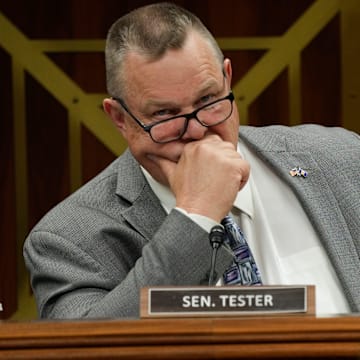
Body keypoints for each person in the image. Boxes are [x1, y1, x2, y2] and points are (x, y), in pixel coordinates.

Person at [23, 2, 360, 319]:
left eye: (208, 99)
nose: (198, 131)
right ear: (120, 119)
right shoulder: (66, 240)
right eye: (165, 113)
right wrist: (195, 217)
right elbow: (85, 350)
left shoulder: (341, 159)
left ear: (227, 78)